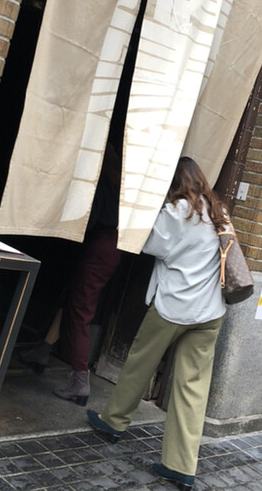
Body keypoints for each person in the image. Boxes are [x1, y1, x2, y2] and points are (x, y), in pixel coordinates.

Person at [86, 156, 229, 491]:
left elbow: (150, 245)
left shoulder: (178, 211)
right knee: (192, 388)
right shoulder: (219, 212)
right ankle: (181, 466)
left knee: (139, 364)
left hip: (173, 306)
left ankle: (113, 422)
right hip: (210, 311)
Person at [19, 143, 122, 406]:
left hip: (99, 247)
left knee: (80, 311)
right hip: (111, 248)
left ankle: (80, 381)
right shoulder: (121, 186)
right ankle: (42, 351)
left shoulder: (101, 185)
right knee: (71, 299)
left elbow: (89, 220)